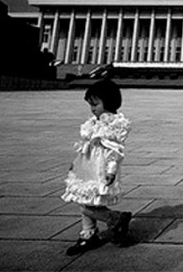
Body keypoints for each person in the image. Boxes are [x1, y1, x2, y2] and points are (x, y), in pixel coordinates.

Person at [61, 79, 132, 255]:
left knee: (86, 206)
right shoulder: (93, 122)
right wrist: (75, 164)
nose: (92, 109)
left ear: (108, 101)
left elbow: (115, 151)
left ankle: (115, 218)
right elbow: (85, 145)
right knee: (83, 199)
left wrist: (111, 170)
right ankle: (88, 235)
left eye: (95, 104)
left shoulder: (114, 125)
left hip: (100, 169)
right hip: (87, 167)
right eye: (90, 105)